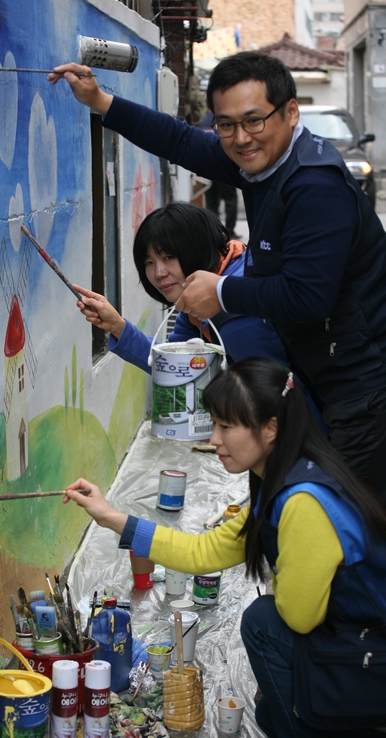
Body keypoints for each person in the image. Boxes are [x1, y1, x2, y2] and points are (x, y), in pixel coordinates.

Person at [48, 52, 386, 501]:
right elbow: (181, 141)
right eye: (226, 124)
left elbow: (309, 299)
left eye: (252, 121)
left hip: (362, 391)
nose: (240, 138)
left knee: (349, 526)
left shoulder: (312, 185)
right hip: (331, 381)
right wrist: (101, 101)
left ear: (290, 111)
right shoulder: (262, 161)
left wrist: (222, 292)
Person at [63, 357, 386, 737]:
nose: (213, 439)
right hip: (355, 642)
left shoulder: (304, 503)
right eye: (213, 424)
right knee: (268, 713)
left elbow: (299, 618)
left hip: (371, 659)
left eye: (226, 426)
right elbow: (204, 552)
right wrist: (113, 517)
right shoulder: (290, 475)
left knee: (264, 623)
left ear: (271, 429)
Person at [74, 201, 326, 429]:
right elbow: (174, 363)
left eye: (168, 257)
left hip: (302, 434)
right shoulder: (201, 293)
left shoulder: (233, 308)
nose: (158, 272)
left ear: (197, 247)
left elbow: (278, 394)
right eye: (149, 262)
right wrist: (117, 325)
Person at [197, 110, 239, 237]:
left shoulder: (203, 121)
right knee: (230, 200)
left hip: (206, 169)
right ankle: (229, 231)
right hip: (223, 165)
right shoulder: (224, 119)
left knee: (211, 202)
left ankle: (214, 233)